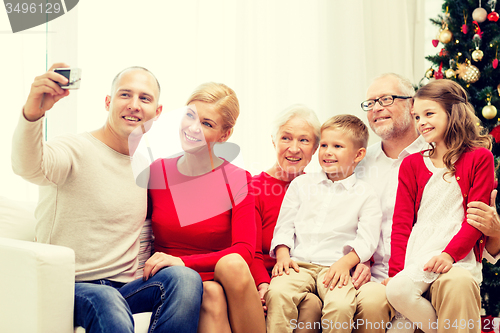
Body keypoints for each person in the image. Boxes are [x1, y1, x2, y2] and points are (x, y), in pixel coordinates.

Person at [11, 63, 203, 333]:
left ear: (157, 112)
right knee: (107, 298)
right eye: (125, 95)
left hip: (124, 289)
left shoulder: (144, 167)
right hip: (69, 286)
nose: (134, 105)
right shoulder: (75, 148)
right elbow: (28, 166)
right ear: (108, 102)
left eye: (144, 98)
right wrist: (32, 114)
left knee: (185, 278)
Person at [355, 73, 500, 333]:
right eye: (418, 117)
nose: (422, 122)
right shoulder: (410, 164)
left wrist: (449, 254)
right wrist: (396, 271)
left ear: (452, 113)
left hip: (454, 258)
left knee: (449, 285)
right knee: (398, 298)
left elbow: (475, 218)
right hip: (416, 257)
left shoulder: (479, 158)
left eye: (429, 114)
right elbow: (401, 223)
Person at [144, 82, 266, 333]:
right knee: (210, 294)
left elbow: (244, 251)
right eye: (190, 115)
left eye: (207, 124)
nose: (193, 128)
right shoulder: (158, 171)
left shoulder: (238, 178)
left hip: (219, 272)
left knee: (228, 268)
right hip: (173, 276)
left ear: (225, 134)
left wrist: (183, 262)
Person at [265, 114, 383, 333]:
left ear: (358, 155)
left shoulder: (365, 194)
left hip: (335, 267)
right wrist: (282, 254)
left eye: (337, 146)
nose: (328, 152)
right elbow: (284, 226)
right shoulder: (301, 184)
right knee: (278, 292)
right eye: (324, 145)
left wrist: (346, 263)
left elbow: (367, 239)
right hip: (298, 264)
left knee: (340, 305)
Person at [249, 104, 324, 333]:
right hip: (267, 279)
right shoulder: (254, 188)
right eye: (286, 138)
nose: (294, 148)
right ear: (274, 142)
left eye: (304, 140)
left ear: (315, 148)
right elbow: (248, 249)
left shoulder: (321, 190)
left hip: (308, 277)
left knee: (313, 303)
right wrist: (263, 285)